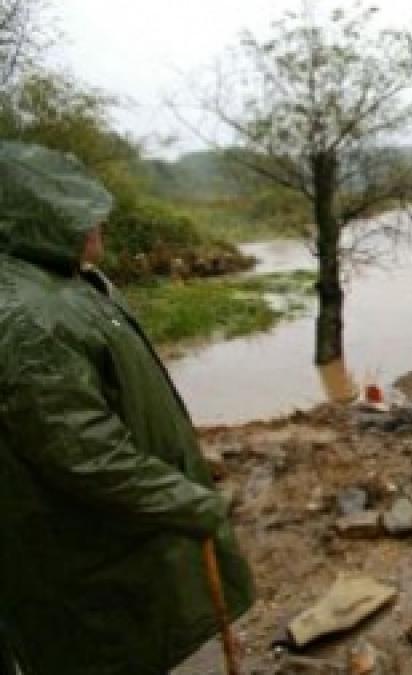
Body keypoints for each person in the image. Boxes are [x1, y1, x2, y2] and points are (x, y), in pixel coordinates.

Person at [0, 142, 254, 675]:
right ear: (44, 219)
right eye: (84, 215)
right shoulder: (27, 316)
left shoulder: (68, 282)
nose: (100, 226)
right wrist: (190, 501)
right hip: (100, 562)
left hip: (134, 540)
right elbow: (83, 455)